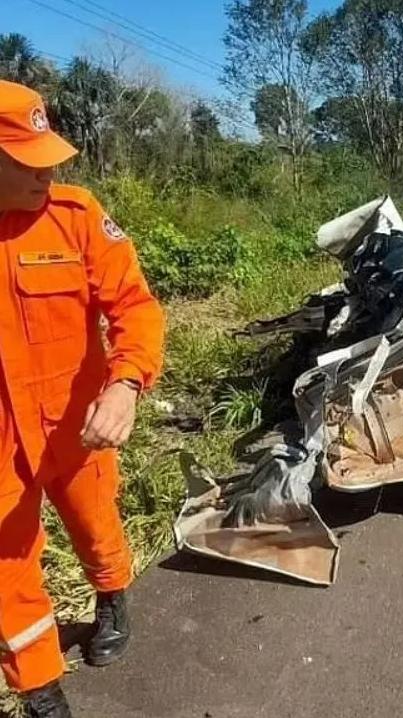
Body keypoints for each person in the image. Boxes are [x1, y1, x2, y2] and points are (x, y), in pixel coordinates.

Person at [0, 80, 165, 717]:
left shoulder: (75, 217)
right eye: (29, 161)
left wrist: (125, 384)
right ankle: (41, 690)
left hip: (76, 421)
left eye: (51, 157)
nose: (49, 172)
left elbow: (135, 308)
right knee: (8, 566)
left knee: (96, 525)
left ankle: (113, 593)